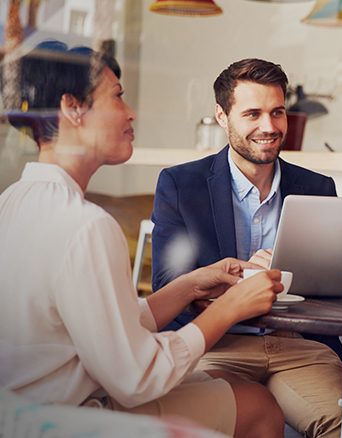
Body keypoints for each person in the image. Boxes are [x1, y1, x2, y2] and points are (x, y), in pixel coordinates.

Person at [0, 40, 287, 438]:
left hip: (21, 407)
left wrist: (188, 286)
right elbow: (137, 376)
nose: (130, 112)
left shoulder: (13, 201)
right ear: (73, 108)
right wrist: (231, 307)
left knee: (229, 391)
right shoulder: (86, 226)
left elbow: (100, 324)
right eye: (117, 97)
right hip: (69, 414)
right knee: (257, 406)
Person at [151, 58, 342, 438]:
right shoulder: (180, 184)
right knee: (240, 419)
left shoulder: (317, 188)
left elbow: (334, 284)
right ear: (222, 116)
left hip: (297, 347)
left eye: (277, 112)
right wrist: (245, 279)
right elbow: (168, 283)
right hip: (217, 343)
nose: (268, 127)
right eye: (252, 114)